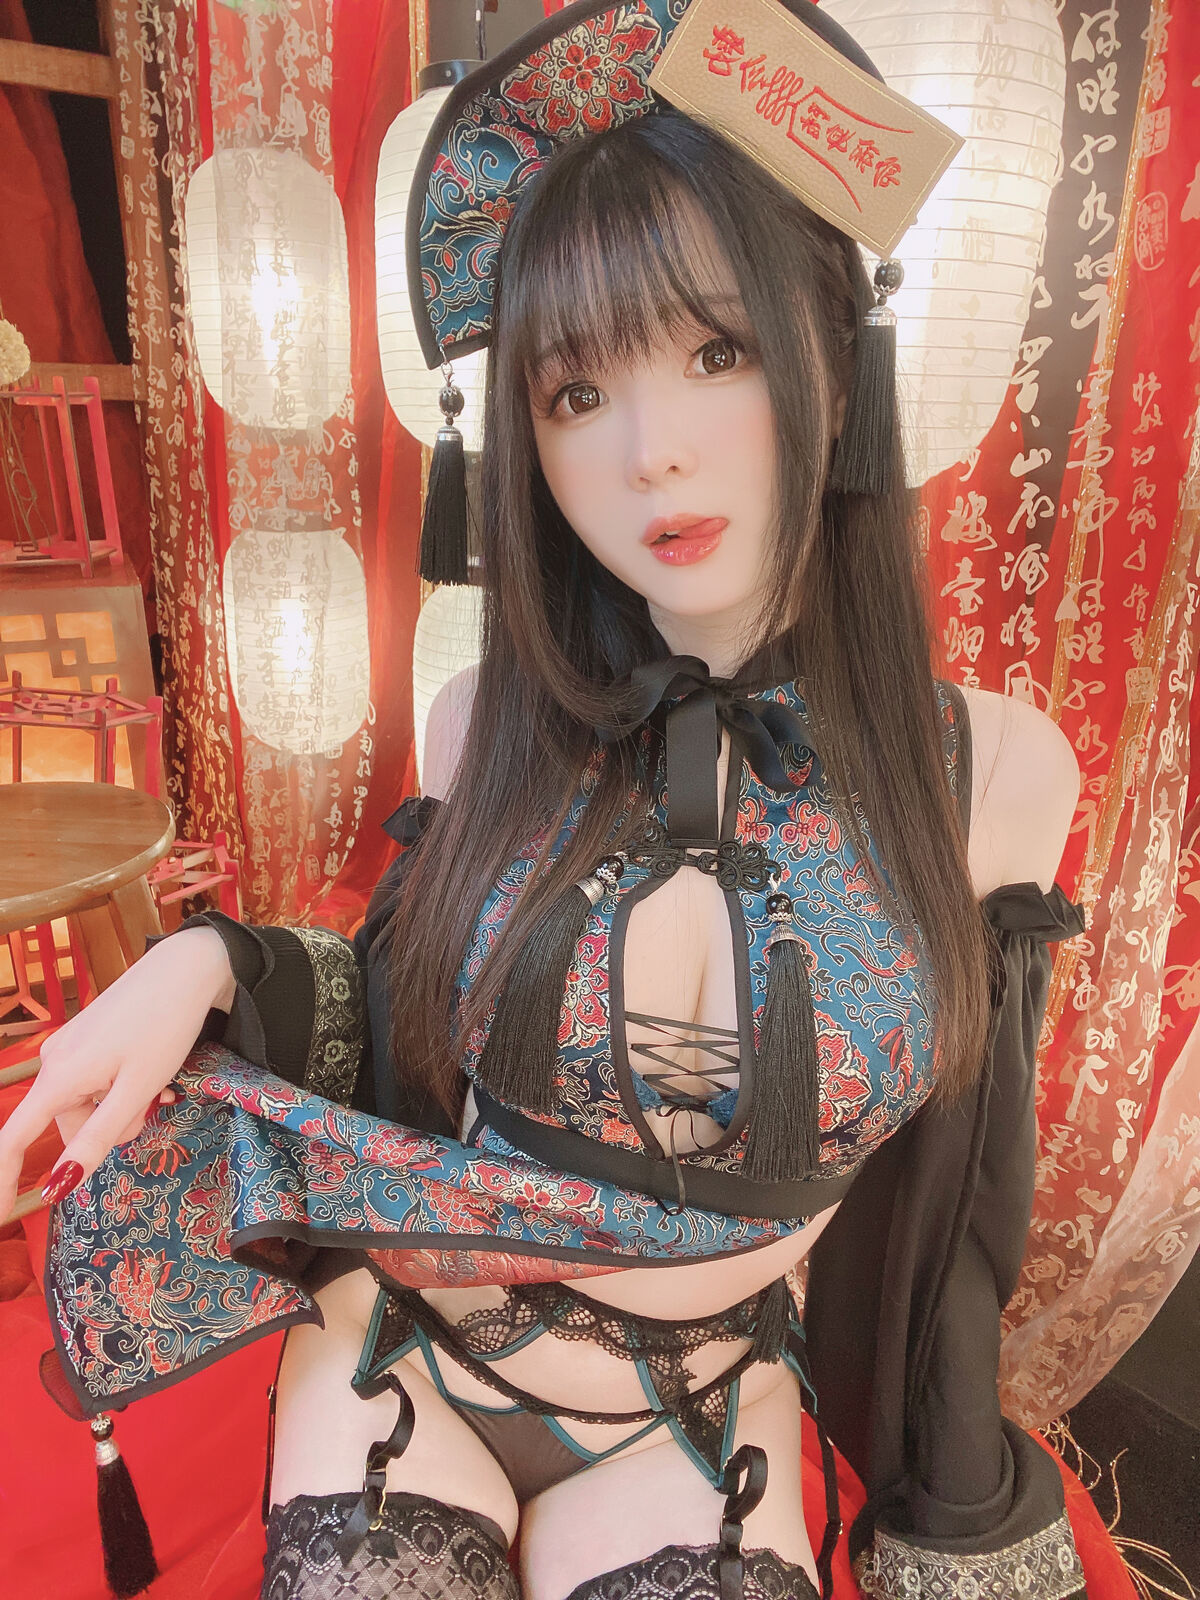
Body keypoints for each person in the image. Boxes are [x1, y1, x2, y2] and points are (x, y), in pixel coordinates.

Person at [0, 3, 1089, 1598]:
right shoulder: (478, 724)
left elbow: (960, 1194)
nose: (651, 454)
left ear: (837, 362)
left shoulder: (1000, 774)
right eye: (575, 392)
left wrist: (954, 1497)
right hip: (406, 1357)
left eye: (716, 351)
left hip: (701, 1411)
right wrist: (206, 959)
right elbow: (400, 1032)